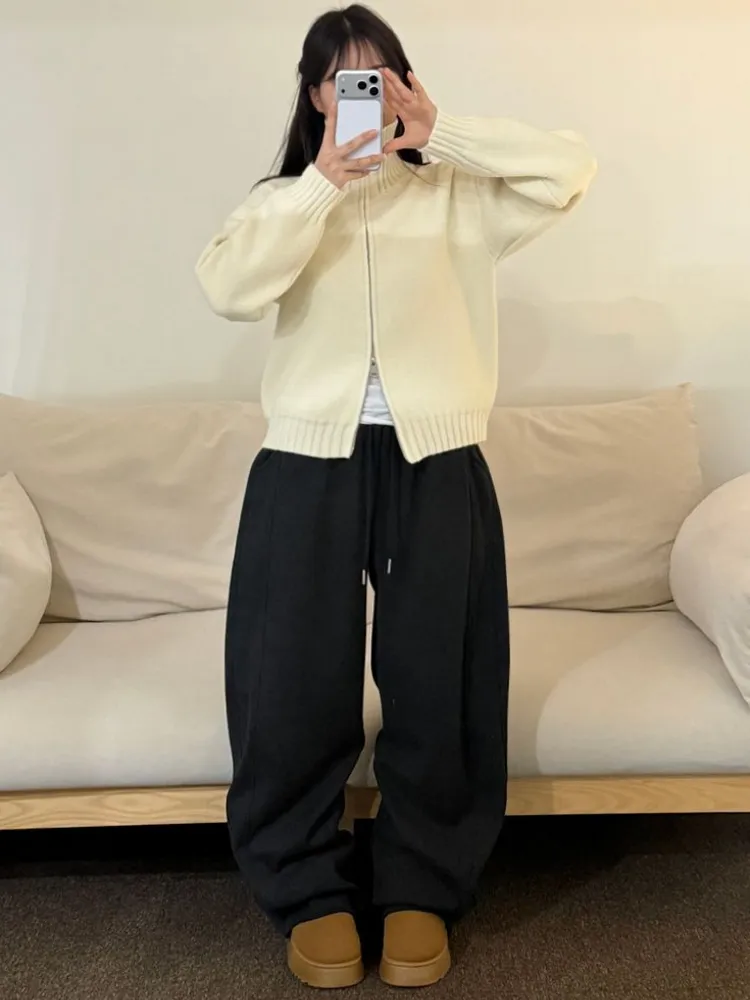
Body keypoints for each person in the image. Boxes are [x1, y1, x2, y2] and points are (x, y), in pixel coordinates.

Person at [196, 3, 596, 990]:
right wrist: (319, 187)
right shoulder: (285, 201)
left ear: (407, 84)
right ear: (316, 96)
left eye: (381, 77)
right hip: (306, 464)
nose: (363, 96)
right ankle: (308, 889)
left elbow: (569, 170)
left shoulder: (457, 193)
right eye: (345, 81)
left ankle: (424, 882)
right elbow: (228, 288)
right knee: (290, 679)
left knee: (439, 676)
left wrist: (443, 132)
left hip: (437, 459)